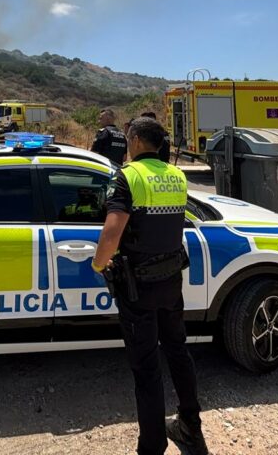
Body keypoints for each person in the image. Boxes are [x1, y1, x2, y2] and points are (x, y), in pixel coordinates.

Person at [91, 116, 208, 455]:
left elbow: (112, 233)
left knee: (146, 368)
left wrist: (98, 264)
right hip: (171, 281)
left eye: (130, 138)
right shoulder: (177, 176)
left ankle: (152, 446)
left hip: (138, 288)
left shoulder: (128, 177)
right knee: (178, 352)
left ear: (137, 140)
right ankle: (191, 429)